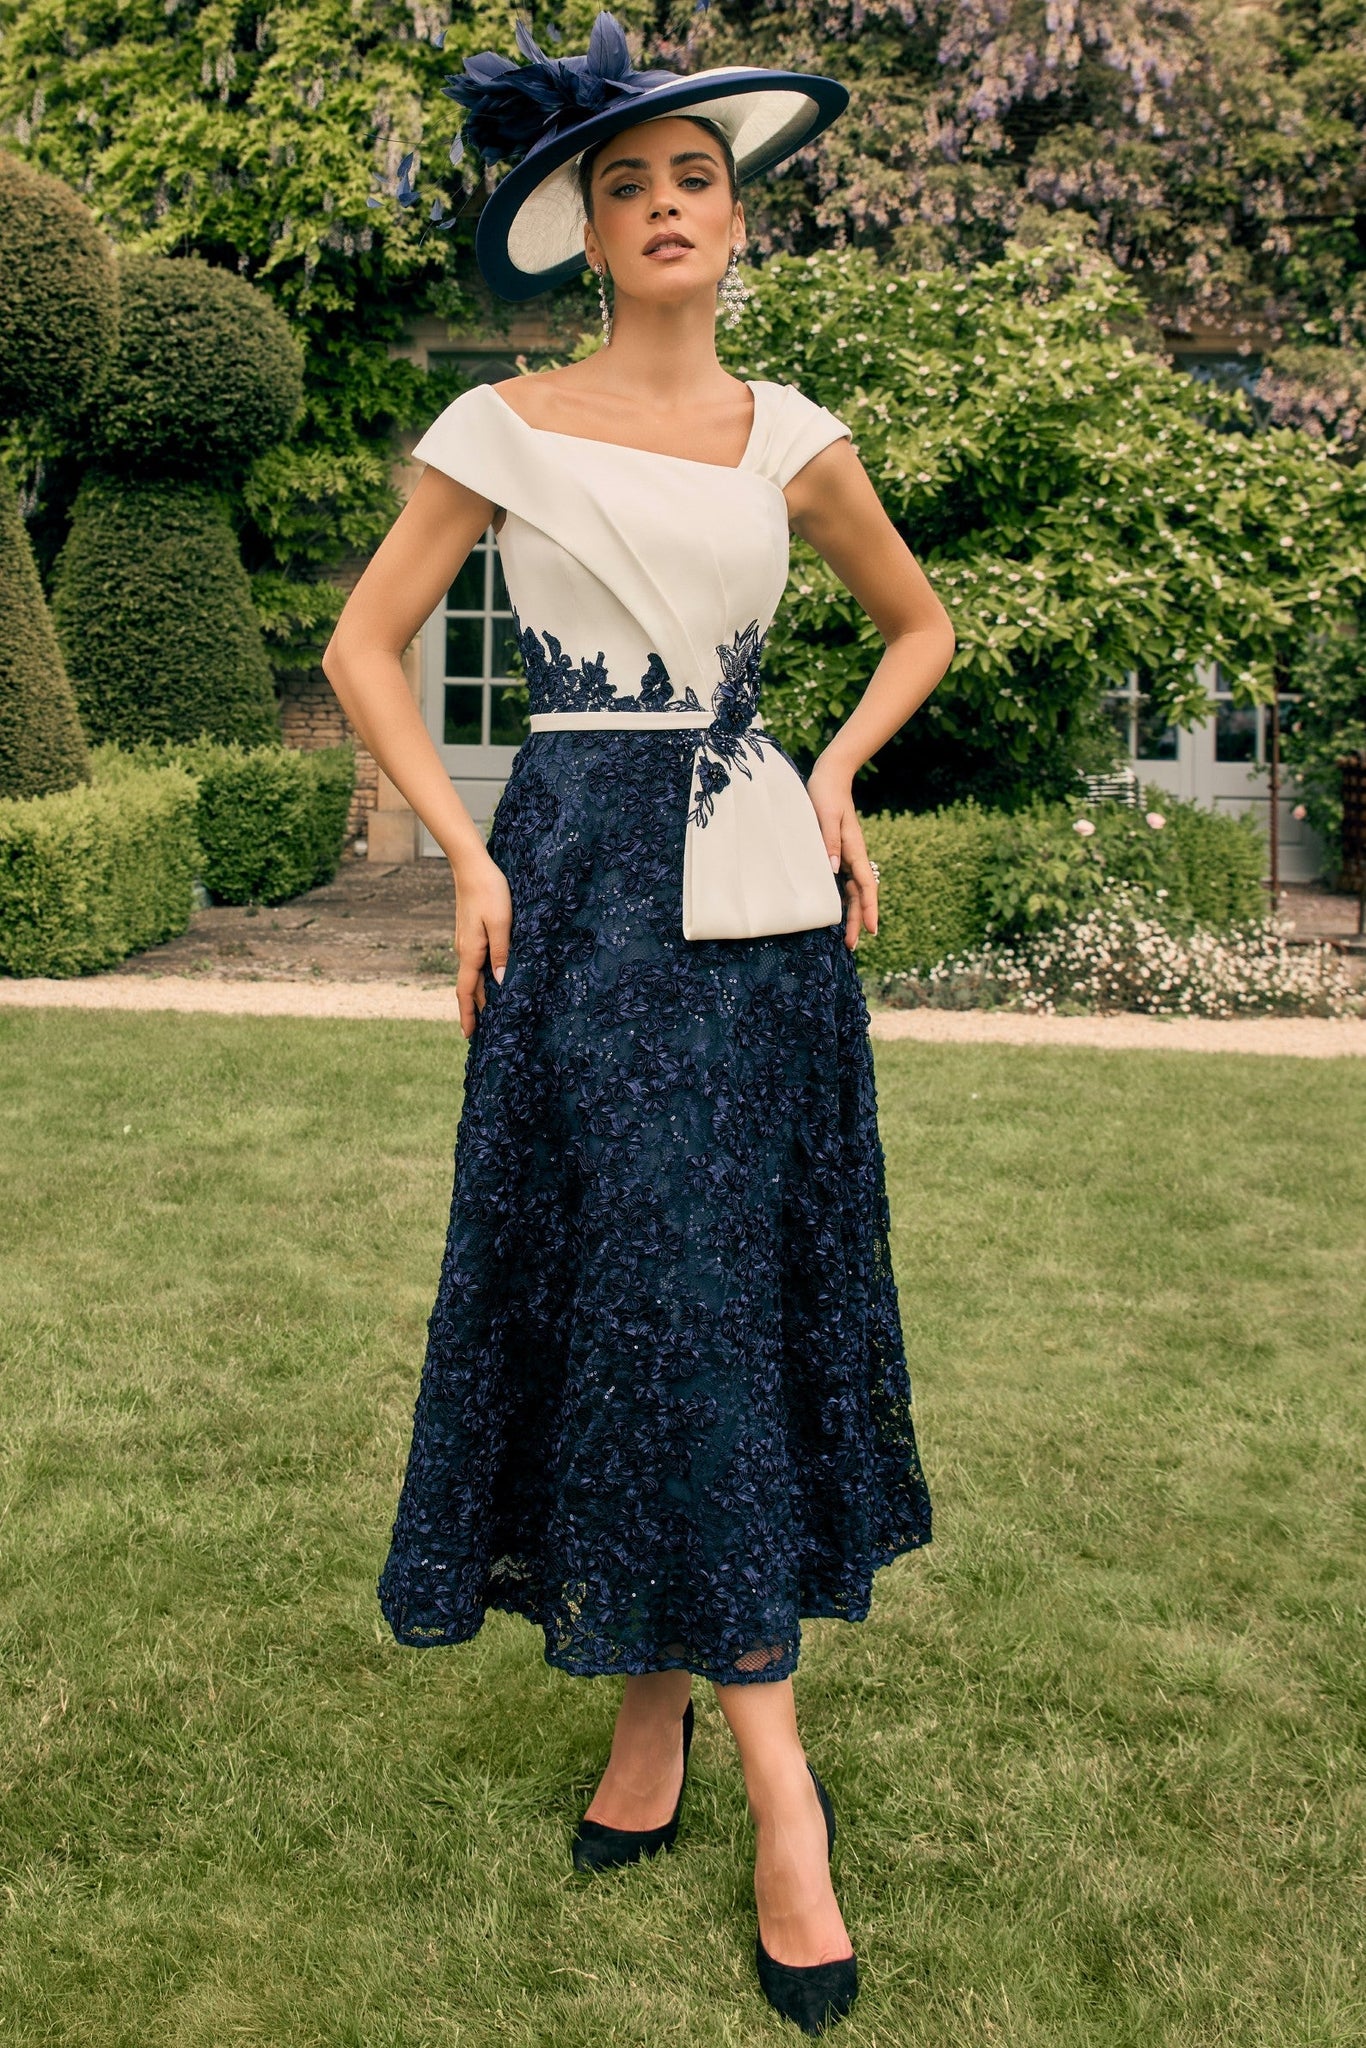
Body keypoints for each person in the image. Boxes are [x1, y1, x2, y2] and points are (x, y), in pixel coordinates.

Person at [323, 12, 955, 2034]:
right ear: (579, 231)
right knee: (635, 1292)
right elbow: (363, 643)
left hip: (760, 887)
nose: (667, 207)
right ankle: (763, 1782)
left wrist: (841, 772)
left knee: (709, 1295)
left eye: (694, 178)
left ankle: (684, 1732)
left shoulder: (792, 432)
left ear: (734, 217)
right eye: (627, 185)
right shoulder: (498, 427)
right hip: (580, 880)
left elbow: (916, 620)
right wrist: (463, 853)